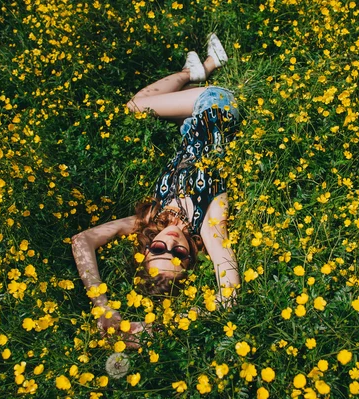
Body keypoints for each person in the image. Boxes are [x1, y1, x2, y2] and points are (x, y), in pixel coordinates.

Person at [71, 34, 240, 345]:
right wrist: (165, 331)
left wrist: (102, 308)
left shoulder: (150, 220)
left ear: (146, 249)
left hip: (190, 124)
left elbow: (82, 241)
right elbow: (227, 288)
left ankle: (200, 70)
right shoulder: (207, 222)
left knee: (135, 104)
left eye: (160, 252)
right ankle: (203, 68)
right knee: (135, 104)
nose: (171, 244)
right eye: (179, 256)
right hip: (215, 107)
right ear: (192, 257)